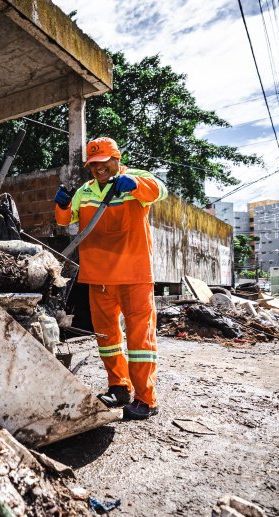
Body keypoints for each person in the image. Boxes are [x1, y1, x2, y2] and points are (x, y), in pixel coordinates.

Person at [54, 137, 167, 420]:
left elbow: (159, 191)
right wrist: (63, 205)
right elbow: (64, 221)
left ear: (116, 159)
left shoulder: (136, 178)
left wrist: (134, 184)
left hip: (134, 275)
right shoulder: (85, 191)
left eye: (104, 162)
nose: (98, 168)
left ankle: (146, 399)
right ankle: (118, 388)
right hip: (99, 277)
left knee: (140, 341)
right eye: (94, 164)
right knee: (107, 338)